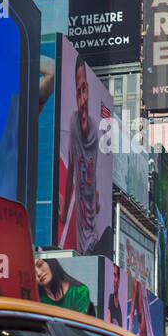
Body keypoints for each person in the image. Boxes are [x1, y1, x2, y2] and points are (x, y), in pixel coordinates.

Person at [58, 55, 109, 255]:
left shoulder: (95, 130)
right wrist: (63, 212)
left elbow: (91, 167)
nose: (82, 97)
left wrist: (94, 195)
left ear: (88, 89)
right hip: (84, 243)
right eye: (78, 91)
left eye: (84, 89)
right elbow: (71, 167)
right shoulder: (73, 122)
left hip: (94, 236)